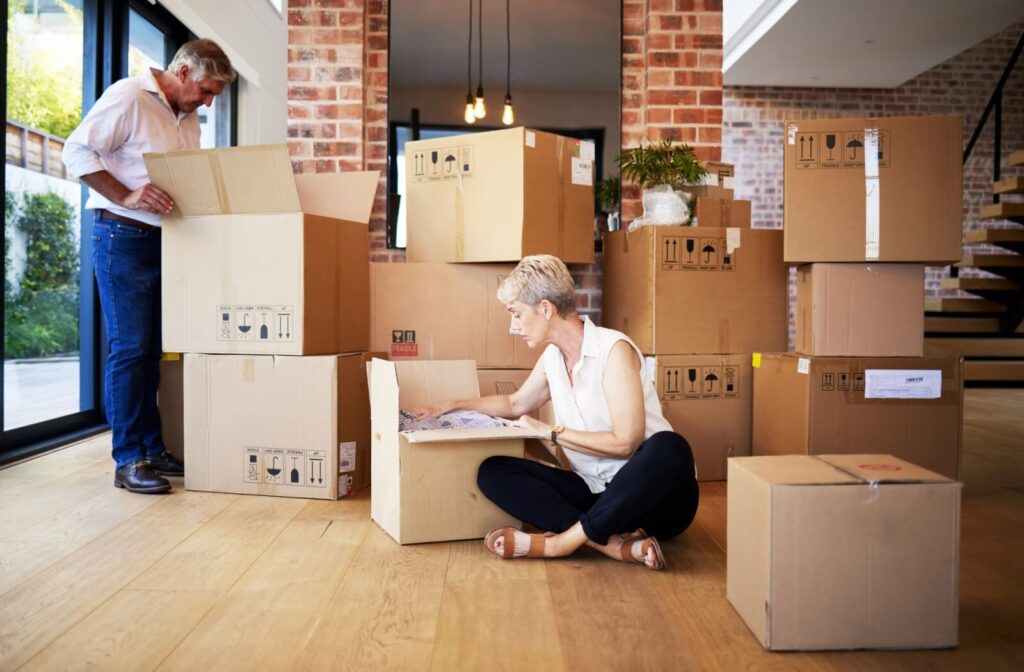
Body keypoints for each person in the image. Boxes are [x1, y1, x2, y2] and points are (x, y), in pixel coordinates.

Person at [409, 255, 699, 570]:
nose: (513, 326)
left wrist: (550, 433)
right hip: (596, 493)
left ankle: (562, 543)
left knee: (671, 447)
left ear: (546, 309)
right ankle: (610, 544)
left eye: (517, 314)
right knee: (493, 472)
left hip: (655, 499)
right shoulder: (552, 358)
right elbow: (515, 404)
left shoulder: (613, 351)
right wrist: (449, 406)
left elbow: (625, 443)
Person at [62, 39, 236, 494]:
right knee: (131, 349)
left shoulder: (187, 117)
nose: (208, 101)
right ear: (182, 72)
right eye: (205, 90)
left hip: (168, 242)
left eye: (214, 95)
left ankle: (152, 448)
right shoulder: (128, 97)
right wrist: (125, 195)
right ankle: (129, 459)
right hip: (122, 237)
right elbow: (75, 152)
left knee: (157, 349)